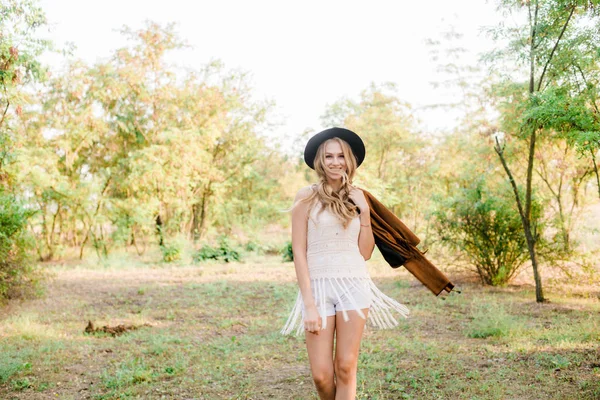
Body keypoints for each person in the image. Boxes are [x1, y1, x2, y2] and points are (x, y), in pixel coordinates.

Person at [281, 127, 409, 400]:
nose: (335, 162)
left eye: (341, 156)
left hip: (354, 285)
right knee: (322, 375)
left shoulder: (360, 197)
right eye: (329, 156)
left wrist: (364, 211)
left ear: (350, 160)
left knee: (346, 367)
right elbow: (299, 252)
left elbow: (364, 253)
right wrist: (309, 304)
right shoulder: (305, 197)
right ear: (320, 160)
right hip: (317, 287)